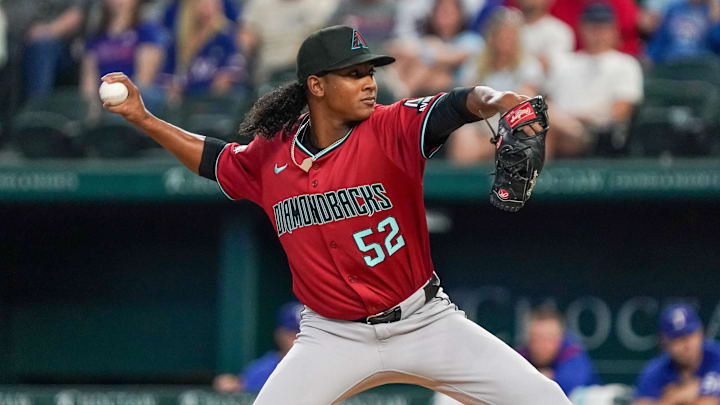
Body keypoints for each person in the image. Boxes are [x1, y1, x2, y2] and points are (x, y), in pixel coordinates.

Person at [102, 25, 570, 405]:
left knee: (547, 401)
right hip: (332, 336)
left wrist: (507, 103)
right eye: (353, 73)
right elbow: (214, 160)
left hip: (425, 321)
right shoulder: (271, 155)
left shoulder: (392, 126)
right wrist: (143, 117)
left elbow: (464, 101)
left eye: (370, 71)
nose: (369, 81)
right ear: (317, 85)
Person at [543, 2, 643, 157]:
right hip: (559, 127)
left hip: (596, 133)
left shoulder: (626, 64)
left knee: (545, 129)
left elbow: (621, 110)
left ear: (614, 30)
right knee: (538, 121)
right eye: (592, 27)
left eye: (603, 28)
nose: (598, 33)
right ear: (581, 28)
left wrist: (580, 117)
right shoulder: (563, 62)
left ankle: (534, 179)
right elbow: (548, 101)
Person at [449, 7, 543, 163]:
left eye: (510, 34)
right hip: (482, 122)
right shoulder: (475, 64)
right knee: (462, 133)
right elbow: (467, 99)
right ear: (492, 36)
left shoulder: (529, 65)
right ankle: (465, 184)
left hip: (512, 124)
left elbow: (526, 100)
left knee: (529, 126)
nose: (505, 39)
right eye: (501, 34)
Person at [80, 0, 168, 118]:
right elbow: (89, 82)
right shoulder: (96, 37)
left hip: (138, 99)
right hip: (104, 101)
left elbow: (144, 80)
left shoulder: (147, 31)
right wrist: (91, 113)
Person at [388, 0, 483, 97]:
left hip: (459, 88)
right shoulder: (430, 40)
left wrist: (426, 51)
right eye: (440, 12)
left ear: (460, 15)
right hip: (429, 87)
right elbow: (393, 48)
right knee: (405, 63)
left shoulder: (471, 39)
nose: (445, 19)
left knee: (427, 67)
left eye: (449, 13)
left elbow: (453, 58)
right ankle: (394, 95)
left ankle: (396, 97)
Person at [633, 304, 720, 405]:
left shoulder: (716, 356)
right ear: (665, 343)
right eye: (678, 339)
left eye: (690, 335)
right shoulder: (655, 370)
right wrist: (677, 398)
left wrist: (670, 399)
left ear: (700, 332)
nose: (686, 345)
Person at [161, 0, 246, 100]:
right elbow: (167, 73)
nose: (208, 6)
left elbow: (232, 71)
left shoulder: (226, 35)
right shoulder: (180, 39)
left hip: (214, 98)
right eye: (203, 3)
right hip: (183, 97)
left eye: (212, 3)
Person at [214, 301, 303, 393]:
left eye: (303, 334)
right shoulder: (261, 370)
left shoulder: (317, 369)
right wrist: (235, 388)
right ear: (279, 334)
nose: (299, 339)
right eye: (293, 334)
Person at [3, 0, 87, 97]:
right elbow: (10, 13)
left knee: (42, 49)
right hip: (20, 40)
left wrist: (46, 31)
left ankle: (38, 106)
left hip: (64, 46)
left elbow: (76, 15)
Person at [516, 307, 600, 396]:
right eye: (537, 338)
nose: (544, 345)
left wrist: (545, 380)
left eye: (550, 338)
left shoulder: (573, 353)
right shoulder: (518, 356)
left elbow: (569, 387)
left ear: (561, 338)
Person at [645, 0, 720, 64]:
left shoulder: (711, 11)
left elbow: (716, 43)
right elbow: (660, 40)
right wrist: (650, 56)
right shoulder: (674, 9)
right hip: (672, 63)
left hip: (701, 66)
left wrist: (715, 21)